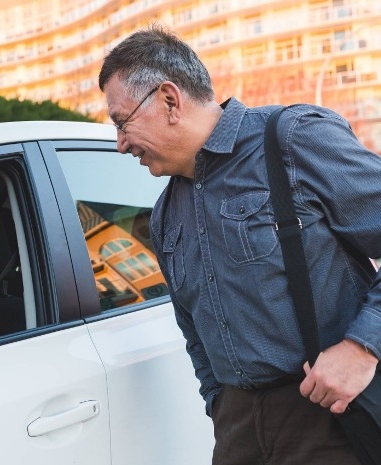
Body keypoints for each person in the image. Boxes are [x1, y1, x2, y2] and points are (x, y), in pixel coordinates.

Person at [99, 23, 381, 464]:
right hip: (237, 430)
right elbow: (193, 329)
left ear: (169, 100)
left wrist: (363, 348)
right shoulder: (164, 214)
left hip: (332, 417)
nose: (120, 145)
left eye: (122, 122)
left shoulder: (292, 139)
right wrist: (218, 402)